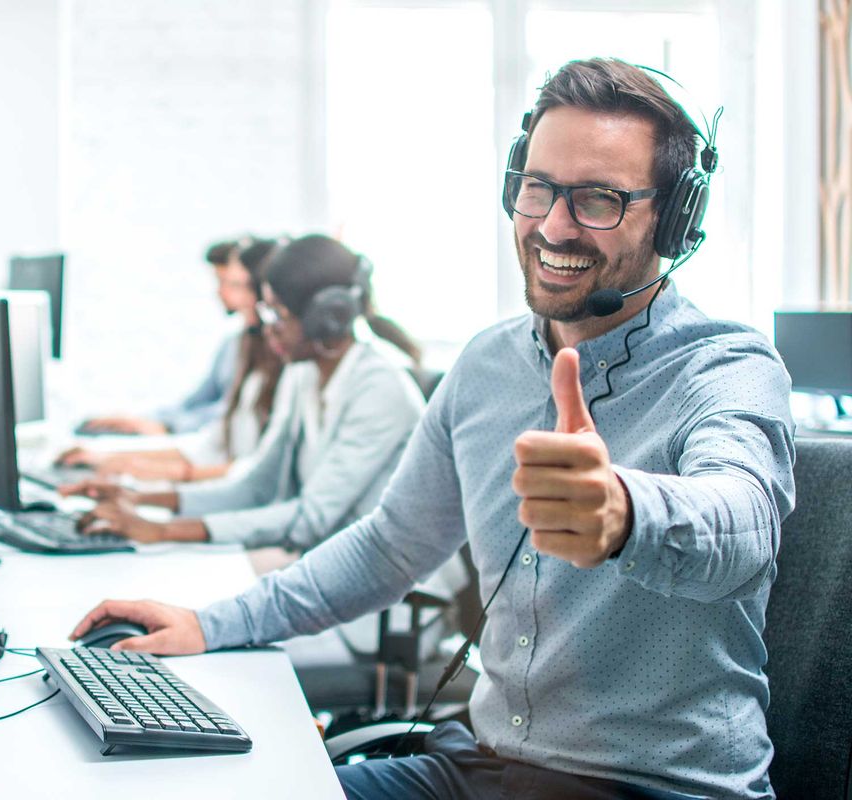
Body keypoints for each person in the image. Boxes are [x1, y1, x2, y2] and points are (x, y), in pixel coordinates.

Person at [69, 58, 795, 799]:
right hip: (483, 770)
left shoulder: (728, 367)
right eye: (537, 187)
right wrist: (209, 624)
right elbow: (390, 546)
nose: (551, 224)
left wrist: (625, 513)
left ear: (675, 220)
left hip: (654, 789)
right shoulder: (487, 365)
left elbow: (742, 524)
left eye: (598, 200)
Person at [61, 234, 426, 551]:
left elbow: (311, 518)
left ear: (325, 318)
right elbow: (256, 487)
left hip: (384, 600)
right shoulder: (304, 375)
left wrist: (161, 530)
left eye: (279, 314)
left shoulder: (379, 389)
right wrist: (139, 500)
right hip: (325, 563)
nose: (267, 328)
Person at [59, 238, 286, 482]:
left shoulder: (285, 370)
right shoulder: (243, 346)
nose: (226, 294)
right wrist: (110, 456)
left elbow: (251, 470)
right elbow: (210, 439)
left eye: (235, 285)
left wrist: (145, 464)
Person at [77, 238, 249, 436]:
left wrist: (169, 427)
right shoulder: (233, 344)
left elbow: (235, 414)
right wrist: (139, 420)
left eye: (227, 283)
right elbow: (194, 403)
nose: (219, 292)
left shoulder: (273, 351)